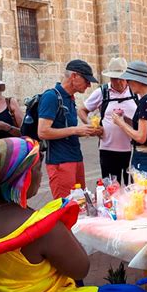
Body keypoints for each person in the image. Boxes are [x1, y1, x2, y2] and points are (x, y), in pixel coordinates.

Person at [0, 137, 147, 292]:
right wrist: (64, 229)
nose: (41, 177)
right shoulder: (41, 227)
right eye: (37, 170)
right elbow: (80, 269)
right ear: (24, 178)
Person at [38, 59, 102, 198]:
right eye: (86, 80)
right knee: (65, 209)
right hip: (60, 162)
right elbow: (42, 131)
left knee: (81, 206)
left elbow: (66, 129)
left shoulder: (70, 98)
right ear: (74, 76)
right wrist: (76, 130)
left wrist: (85, 131)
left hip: (75, 158)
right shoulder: (51, 97)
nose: (89, 85)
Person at [78, 57, 138, 185]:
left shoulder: (135, 92)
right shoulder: (102, 92)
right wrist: (91, 126)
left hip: (132, 150)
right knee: (111, 189)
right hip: (108, 149)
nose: (119, 82)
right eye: (114, 78)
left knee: (131, 190)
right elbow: (82, 110)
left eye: (121, 78)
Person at [112, 61, 147, 186]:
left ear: (136, 81)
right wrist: (125, 119)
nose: (128, 84)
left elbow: (141, 137)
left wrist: (120, 123)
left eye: (128, 81)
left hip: (144, 155)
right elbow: (146, 126)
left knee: (141, 196)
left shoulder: (146, 101)